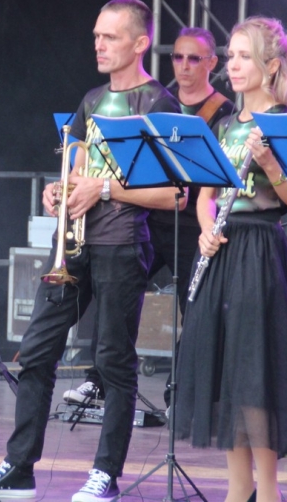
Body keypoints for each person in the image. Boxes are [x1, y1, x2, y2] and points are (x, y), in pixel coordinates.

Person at [0, 0, 182, 501]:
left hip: (122, 245)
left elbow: (175, 194)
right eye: (96, 35)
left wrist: (104, 189)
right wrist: (58, 190)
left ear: (140, 43)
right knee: (36, 352)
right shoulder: (91, 99)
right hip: (74, 244)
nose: (98, 44)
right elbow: (75, 168)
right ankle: (19, 469)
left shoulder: (159, 104)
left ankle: (105, 476)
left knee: (113, 360)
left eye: (110, 36)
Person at [173, 16, 287, 502]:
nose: (232, 66)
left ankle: (268, 491)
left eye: (243, 57)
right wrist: (205, 231)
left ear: (271, 65)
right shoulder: (223, 124)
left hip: (259, 252)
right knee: (225, 374)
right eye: (230, 56)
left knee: (254, 372)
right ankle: (238, 491)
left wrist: (271, 164)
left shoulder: (286, 123)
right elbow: (205, 196)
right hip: (222, 250)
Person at [63, 27, 234, 409]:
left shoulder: (223, 112)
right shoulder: (156, 103)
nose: (184, 65)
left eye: (194, 58)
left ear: (212, 62)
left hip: (191, 222)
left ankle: (180, 390)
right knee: (113, 294)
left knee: (197, 303)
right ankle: (97, 379)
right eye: (177, 57)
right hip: (147, 217)